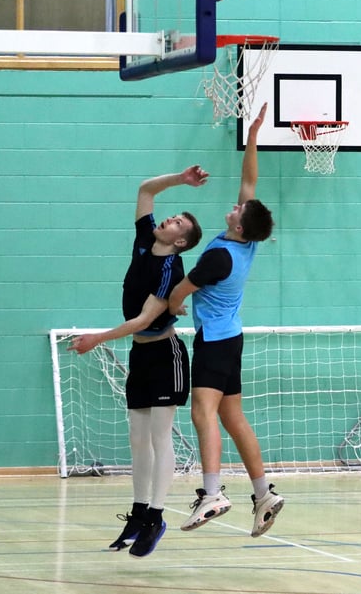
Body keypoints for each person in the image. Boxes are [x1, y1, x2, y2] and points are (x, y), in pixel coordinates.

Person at [70, 165, 208, 558]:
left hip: (166, 354)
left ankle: (157, 517)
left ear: (181, 241)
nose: (169, 218)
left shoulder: (170, 270)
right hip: (141, 354)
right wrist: (181, 179)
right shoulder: (146, 240)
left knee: (159, 437)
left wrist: (96, 339)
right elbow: (146, 189)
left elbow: (143, 320)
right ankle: (139, 511)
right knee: (137, 439)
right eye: (173, 215)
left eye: (177, 221)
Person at [168, 102, 285, 538]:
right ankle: (263, 493)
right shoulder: (244, 241)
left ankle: (213, 492)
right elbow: (250, 180)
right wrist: (252, 135)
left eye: (237, 211)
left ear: (239, 227)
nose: (234, 207)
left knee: (203, 412)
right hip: (231, 338)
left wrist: (171, 308)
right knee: (233, 417)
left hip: (215, 341)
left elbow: (181, 291)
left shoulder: (219, 255)